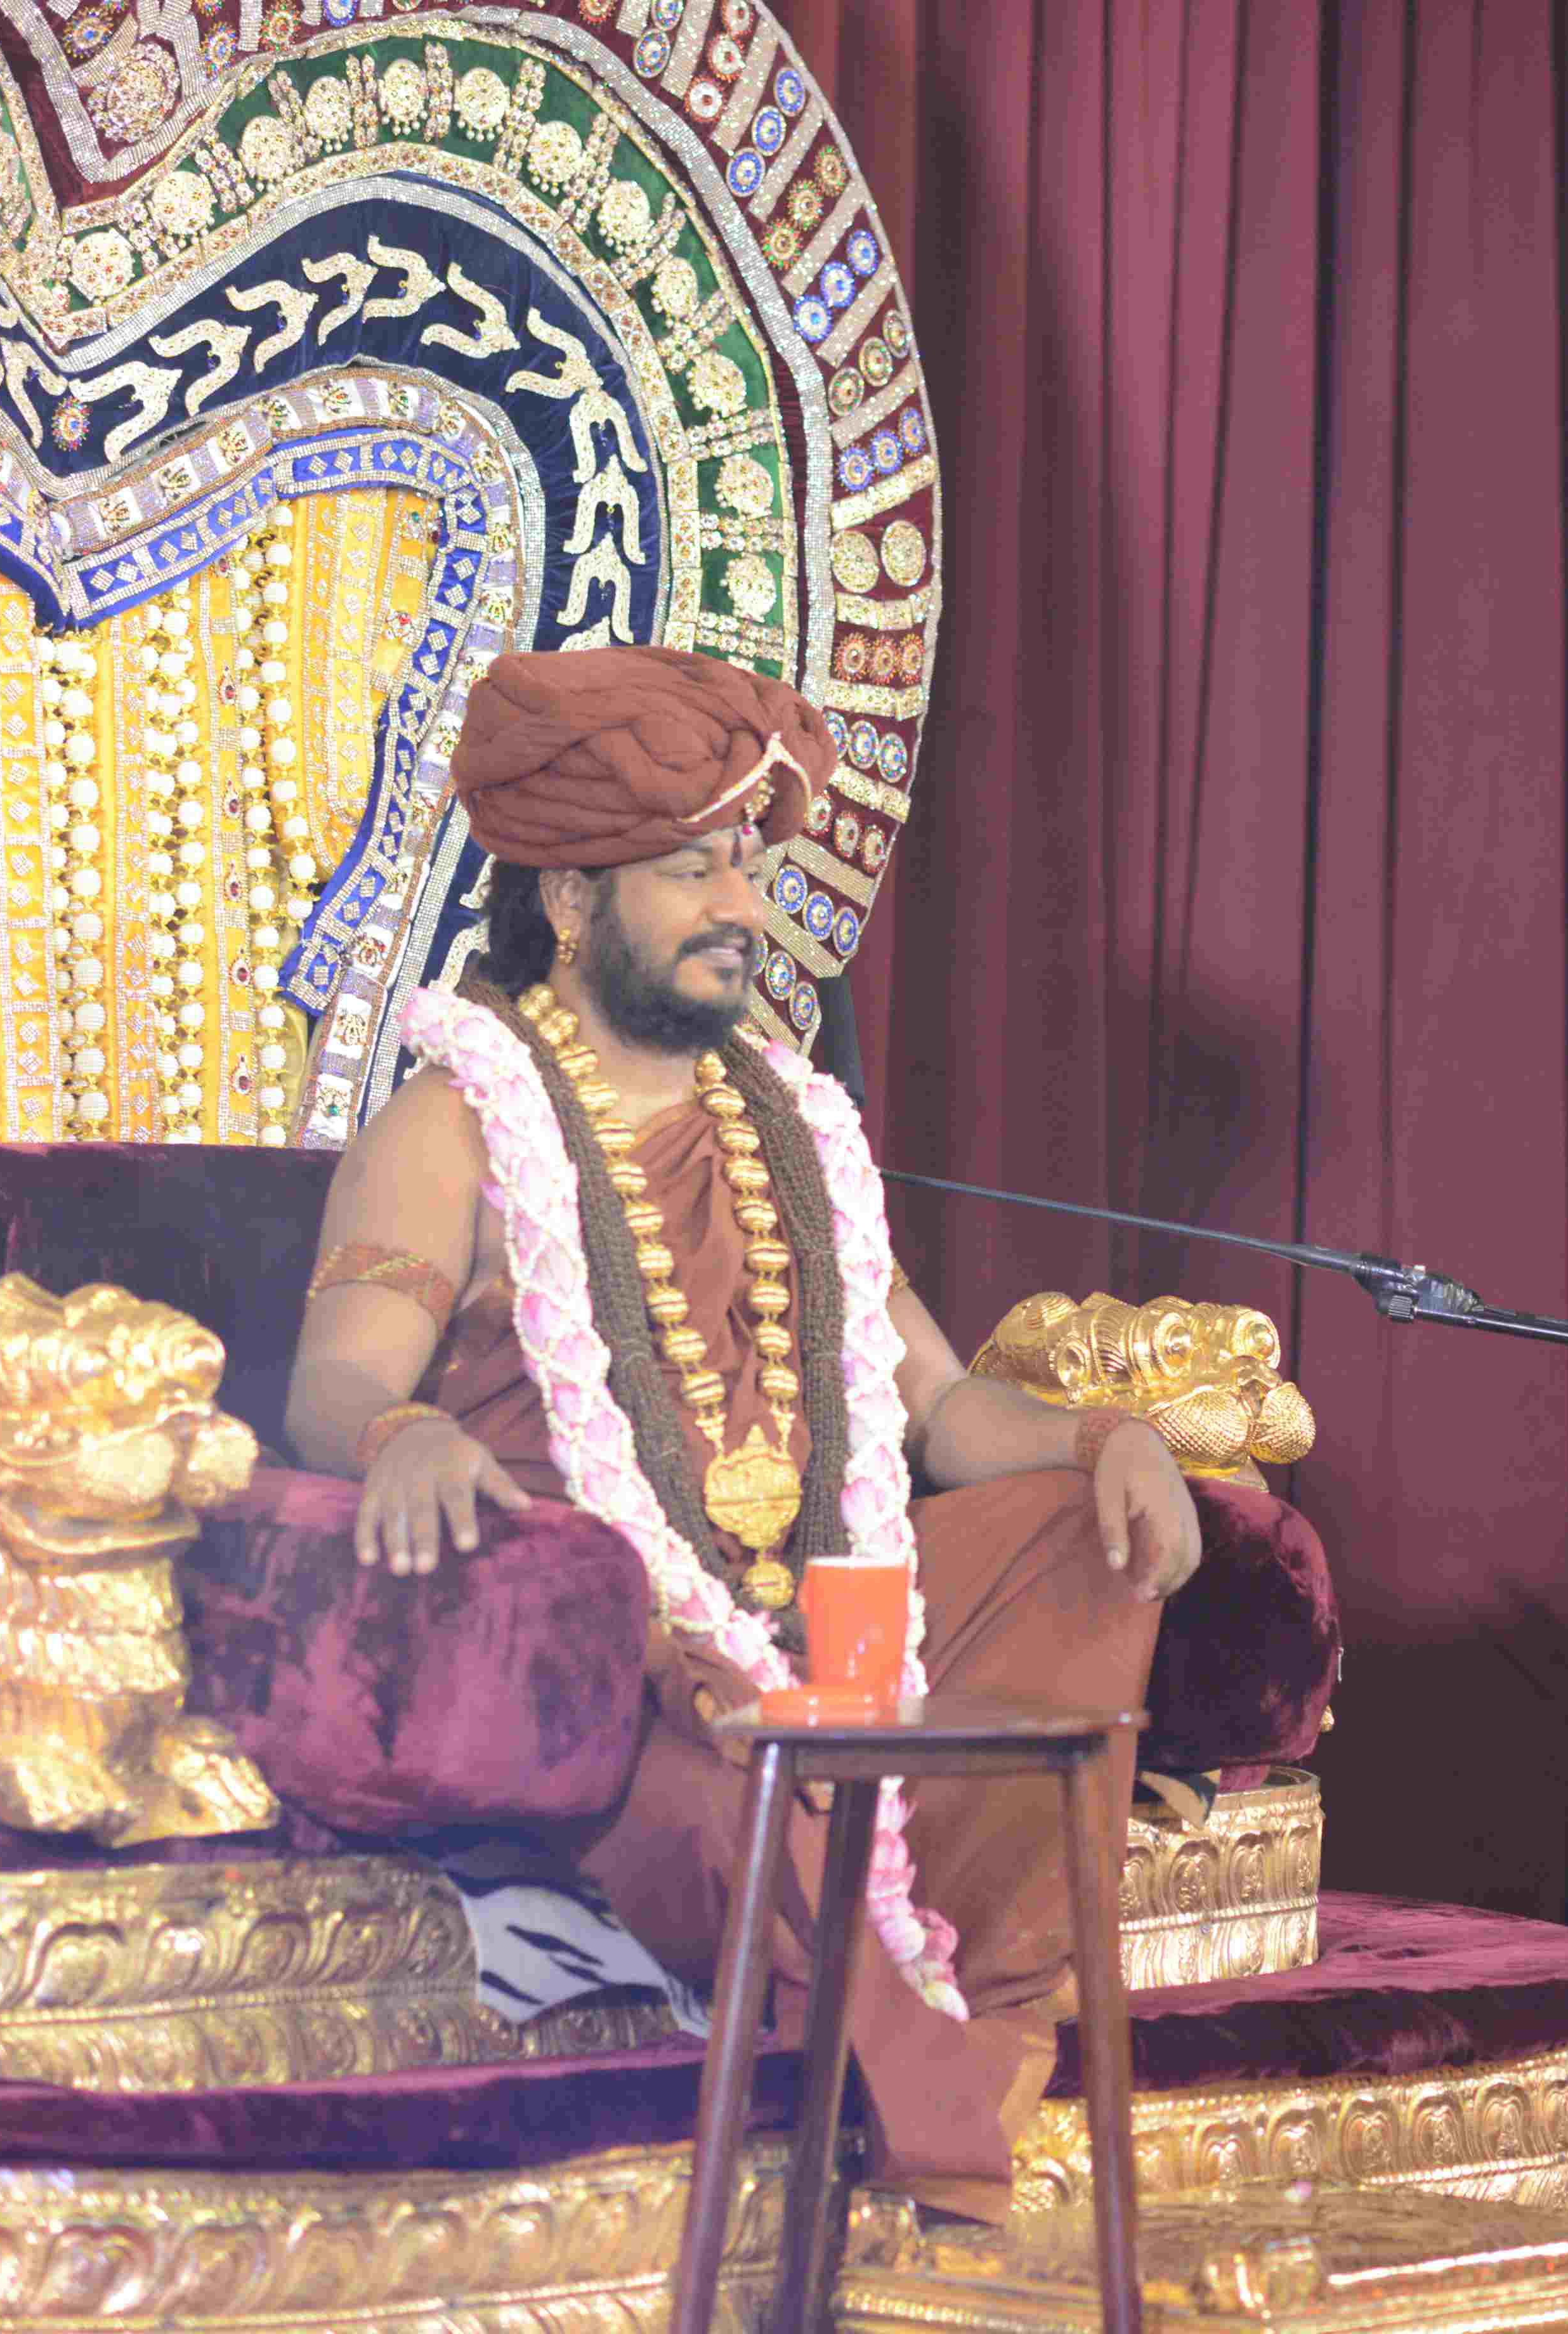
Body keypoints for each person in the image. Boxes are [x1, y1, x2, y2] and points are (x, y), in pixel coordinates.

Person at [278, 642, 1205, 2217]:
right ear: (572, 900)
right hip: (624, 1678)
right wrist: (408, 1435)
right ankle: (949, 2121)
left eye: (751, 871)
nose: (745, 911)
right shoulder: (452, 1124)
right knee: (742, 1796)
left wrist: (1103, 1435)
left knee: (1080, 1536)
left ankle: (988, 2003)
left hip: (823, 1628)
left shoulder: (794, 1128)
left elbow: (942, 1407)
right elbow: (332, 1385)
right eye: (694, 871)